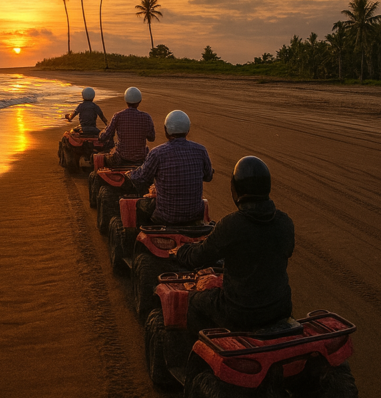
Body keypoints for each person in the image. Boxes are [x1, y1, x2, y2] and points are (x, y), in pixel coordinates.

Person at [172, 156, 294, 336]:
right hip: (280, 309)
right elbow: (283, 252)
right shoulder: (285, 222)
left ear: (236, 190)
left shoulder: (231, 225)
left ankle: (196, 349)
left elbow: (199, 257)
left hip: (240, 313)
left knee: (194, 300)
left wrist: (181, 251)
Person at [128, 110, 213, 226]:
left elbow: (142, 178)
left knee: (140, 206)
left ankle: (140, 234)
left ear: (166, 130)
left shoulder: (158, 153)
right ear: (188, 130)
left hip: (165, 217)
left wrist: (130, 174)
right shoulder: (201, 150)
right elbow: (208, 177)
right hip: (195, 215)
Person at [98, 87, 155, 165]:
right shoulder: (146, 117)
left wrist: (101, 134)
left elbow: (105, 136)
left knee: (103, 159)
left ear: (125, 100)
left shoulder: (118, 116)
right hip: (141, 157)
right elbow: (152, 138)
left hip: (121, 157)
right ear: (139, 101)